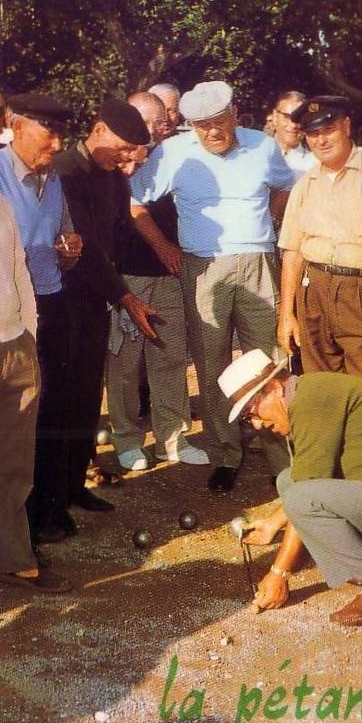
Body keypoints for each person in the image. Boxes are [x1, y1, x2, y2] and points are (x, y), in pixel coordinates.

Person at [130, 80, 297, 492]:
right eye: (201, 126)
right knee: (211, 362)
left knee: (271, 358)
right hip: (203, 267)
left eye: (218, 122)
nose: (211, 133)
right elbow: (136, 203)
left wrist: (271, 224)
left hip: (260, 261)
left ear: (235, 114)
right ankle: (226, 454)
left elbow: (285, 187)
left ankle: (283, 460)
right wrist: (165, 247)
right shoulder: (173, 152)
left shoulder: (262, 145)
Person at [218, 350, 362, 624]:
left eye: (251, 411)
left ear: (275, 387)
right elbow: (303, 481)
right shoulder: (309, 392)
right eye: (248, 418)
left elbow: (304, 496)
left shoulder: (311, 402)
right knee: (288, 481)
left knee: (300, 497)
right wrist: (272, 524)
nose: (257, 423)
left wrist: (278, 573)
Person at [54, 99, 157, 514]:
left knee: (85, 396)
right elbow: (86, 246)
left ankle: (75, 484)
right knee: (59, 401)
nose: (127, 156)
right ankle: (49, 500)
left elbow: (118, 238)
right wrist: (126, 296)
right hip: (61, 299)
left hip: (97, 300)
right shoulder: (64, 171)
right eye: (123, 146)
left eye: (134, 150)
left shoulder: (114, 178)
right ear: (97, 130)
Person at [0, 93, 85, 544]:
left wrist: (69, 249)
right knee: (18, 418)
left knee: (53, 410)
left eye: (61, 135)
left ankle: (48, 508)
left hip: (52, 300)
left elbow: (61, 239)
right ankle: (15, 523)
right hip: (9, 314)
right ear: (16, 126)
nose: (56, 145)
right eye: (49, 135)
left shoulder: (53, 178)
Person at [278, 95, 362, 386]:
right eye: (313, 134)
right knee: (322, 389)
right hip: (313, 293)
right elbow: (293, 253)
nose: (321, 140)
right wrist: (287, 314)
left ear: (347, 126)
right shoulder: (304, 185)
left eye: (328, 130)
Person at [103, 94, 208, 471]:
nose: (158, 129)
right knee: (125, 366)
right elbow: (133, 210)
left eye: (163, 122)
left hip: (168, 276)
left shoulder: (172, 154)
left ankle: (172, 438)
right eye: (152, 122)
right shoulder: (114, 161)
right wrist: (162, 248)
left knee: (170, 358)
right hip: (126, 277)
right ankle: (127, 439)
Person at [270, 90, 316, 177]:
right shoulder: (254, 154)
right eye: (287, 117)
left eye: (299, 119)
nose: (293, 125)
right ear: (275, 117)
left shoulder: (315, 164)